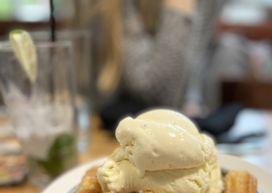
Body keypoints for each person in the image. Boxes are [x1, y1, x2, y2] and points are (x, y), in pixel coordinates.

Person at [74, 0, 224, 128]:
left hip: (178, 130)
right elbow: (157, 95)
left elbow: (199, 59)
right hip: (107, 133)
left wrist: (193, 98)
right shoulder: (108, 6)